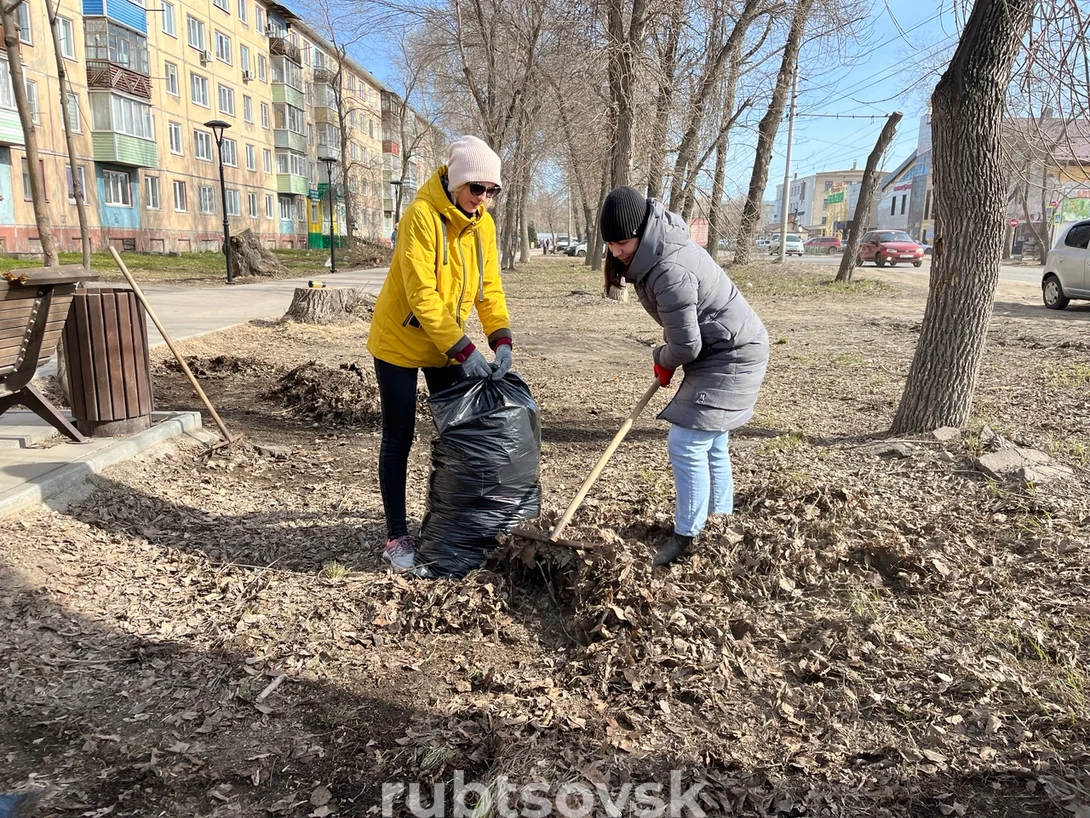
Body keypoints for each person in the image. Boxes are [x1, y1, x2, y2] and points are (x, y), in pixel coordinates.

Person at [600, 185, 769, 566]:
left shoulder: (669, 268)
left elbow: (686, 346)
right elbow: (688, 338)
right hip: (723, 347)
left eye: (622, 242)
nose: (616, 252)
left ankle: (688, 536)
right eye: (610, 244)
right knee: (711, 444)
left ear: (642, 231)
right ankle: (719, 523)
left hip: (731, 354)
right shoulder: (659, 250)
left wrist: (663, 355)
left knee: (687, 443)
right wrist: (670, 354)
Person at [367, 135, 512, 572]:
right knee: (400, 436)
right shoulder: (421, 216)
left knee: (458, 433)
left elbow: (489, 289)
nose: (483, 199)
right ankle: (396, 535)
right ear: (457, 181)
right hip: (400, 342)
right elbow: (421, 294)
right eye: (477, 189)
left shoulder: (481, 224)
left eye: (492, 191)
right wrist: (464, 348)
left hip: (445, 344)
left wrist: (500, 338)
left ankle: (450, 518)